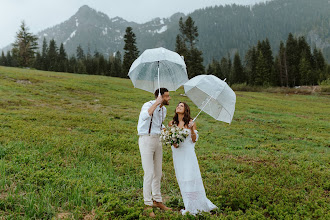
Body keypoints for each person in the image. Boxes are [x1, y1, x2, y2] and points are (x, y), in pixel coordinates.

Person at [169, 102, 217, 215]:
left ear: (186, 110)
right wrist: (174, 142)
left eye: (181, 106)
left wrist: (191, 129)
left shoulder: (191, 122)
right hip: (178, 154)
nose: (178, 107)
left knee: (190, 177)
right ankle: (189, 203)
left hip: (188, 153)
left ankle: (197, 204)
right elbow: (172, 141)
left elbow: (194, 140)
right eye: (178, 105)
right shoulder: (172, 123)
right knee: (182, 178)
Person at [137, 88, 172, 217]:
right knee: (149, 173)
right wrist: (156, 103)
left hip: (158, 140)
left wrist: (167, 130)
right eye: (167, 96)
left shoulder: (164, 109)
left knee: (158, 172)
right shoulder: (147, 105)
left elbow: (159, 124)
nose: (169, 98)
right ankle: (147, 204)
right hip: (146, 139)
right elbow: (145, 116)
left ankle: (157, 200)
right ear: (160, 97)